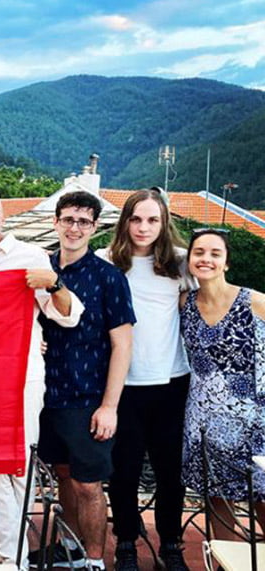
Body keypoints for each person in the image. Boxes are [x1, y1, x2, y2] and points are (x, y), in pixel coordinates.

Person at [0, 191, 84, 567]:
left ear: (2, 217)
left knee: (17, 463)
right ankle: (12, 558)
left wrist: (54, 283)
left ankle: (12, 558)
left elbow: (68, 316)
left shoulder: (31, 257)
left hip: (20, 377)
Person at [36, 191, 135, 571]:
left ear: (94, 228)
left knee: (88, 485)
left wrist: (109, 406)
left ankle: (94, 560)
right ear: (56, 222)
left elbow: (122, 344)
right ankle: (70, 550)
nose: (74, 227)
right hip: (44, 395)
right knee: (63, 476)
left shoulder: (108, 277)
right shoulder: (39, 268)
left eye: (83, 221)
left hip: (86, 397)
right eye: (68, 219)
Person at [97, 189, 191, 571]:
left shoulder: (182, 263)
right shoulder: (107, 262)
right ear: (125, 222)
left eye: (152, 220)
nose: (143, 227)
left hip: (172, 382)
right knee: (124, 471)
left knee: (171, 472)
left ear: (164, 223)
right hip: (124, 385)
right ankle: (125, 544)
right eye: (136, 219)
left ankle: (171, 544)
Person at [179, 228, 265, 540]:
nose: (206, 259)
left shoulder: (254, 302)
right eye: (199, 252)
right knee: (218, 508)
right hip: (203, 423)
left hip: (256, 427)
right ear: (189, 260)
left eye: (215, 253)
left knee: (264, 502)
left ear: (226, 262)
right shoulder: (184, 304)